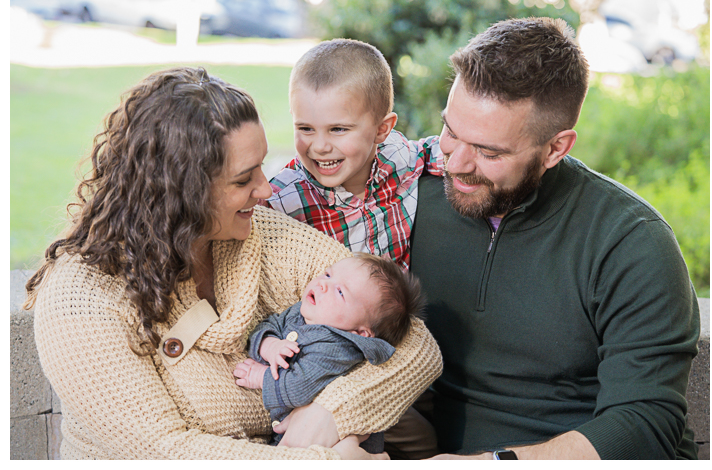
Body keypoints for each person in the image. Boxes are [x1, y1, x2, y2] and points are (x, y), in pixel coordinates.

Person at [25, 67, 441, 460]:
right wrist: (326, 459)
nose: (265, 189)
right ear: (181, 193)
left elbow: (417, 347)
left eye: (262, 165)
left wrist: (326, 416)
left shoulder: (260, 235)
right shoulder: (80, 301)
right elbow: (165, 451)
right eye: (244, 179)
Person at [409, 18, 700, 459]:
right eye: (451, 131)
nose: (454, 164)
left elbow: (645, 424)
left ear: (556, 149)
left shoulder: (631, 242)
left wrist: (489, 465)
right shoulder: (410, 190)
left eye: (489, 152)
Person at [266, 39, 443, 269]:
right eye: (305, 128)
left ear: (382, 130)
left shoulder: (398, 156)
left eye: (338, 129)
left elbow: (447, 153)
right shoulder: (283, 203)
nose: (319, 146)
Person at [234, 254, 422, 436]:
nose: (323, 284)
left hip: (330, 445)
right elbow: (267, 325)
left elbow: (299, 387)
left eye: (340, 292)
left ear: (360, 332)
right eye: (328, 274)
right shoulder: (303, 312)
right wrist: (270, 346)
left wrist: (261, 377)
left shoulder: (339, 348)